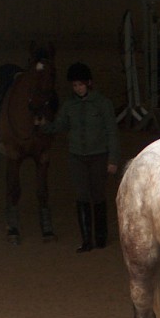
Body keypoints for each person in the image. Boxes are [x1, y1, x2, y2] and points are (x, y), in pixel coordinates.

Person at [39, 62, 119, 252]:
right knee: (82, 196)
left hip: (99, 156)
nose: (78, 89)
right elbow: (60, 125)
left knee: (98, 195)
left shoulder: (102, 104)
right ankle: (86, 240)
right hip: (78, 157)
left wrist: (113, 159)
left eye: (80, 85)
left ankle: (100, 237)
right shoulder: (69, 105)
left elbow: (112, 132)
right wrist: (45, 125)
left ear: (89, 84)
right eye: (75, 86)